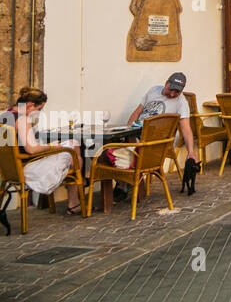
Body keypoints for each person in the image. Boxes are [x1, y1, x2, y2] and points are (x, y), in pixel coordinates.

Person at [106, 72, 200, 200]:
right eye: (170, 89)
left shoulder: (181, 103)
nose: (172, 94)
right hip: (137, 131)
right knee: (107, 144)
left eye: (176, 92)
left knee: (128, 146)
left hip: (156, 140)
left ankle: (123, 183)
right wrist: (127, 129)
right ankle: (124, 180)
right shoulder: (153, 90)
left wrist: (191, 152)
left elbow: (186, 128)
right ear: (166, 83)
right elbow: (137, 112)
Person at [3, 87, 84, 215]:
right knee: (74, 148)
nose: (39, 113)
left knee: (73, 147)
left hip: (8, 169)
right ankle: (76, 194)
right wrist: (51, 146)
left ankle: (76, 191)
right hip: (27, 168)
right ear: (30, 105)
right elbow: (32, 149)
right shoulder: (22, 120)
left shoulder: (5, 115)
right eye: (39, 109)